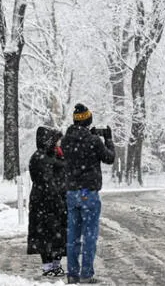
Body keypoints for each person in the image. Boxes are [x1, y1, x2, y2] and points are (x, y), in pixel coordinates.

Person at [62, 103, 115, 284]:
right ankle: (86, 274)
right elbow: (109, 158)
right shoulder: (94, 141)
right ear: (89, 121)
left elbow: (73, 154)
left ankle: (72, 274)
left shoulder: (66, 141)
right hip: (88, 193)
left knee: (73, 237)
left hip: (71, 192)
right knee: (89, 236)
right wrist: (108, 139)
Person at [27, 126, 67, 277]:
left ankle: (55, 265)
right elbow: (47, 182)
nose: (59, 143)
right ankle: (48, 267)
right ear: (48, 141)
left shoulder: (54, 156)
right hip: (45, 202)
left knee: (57, 234)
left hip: (54, 201)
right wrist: (58, 202)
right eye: (57, 140)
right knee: (46, 235)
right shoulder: (40, 158)